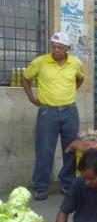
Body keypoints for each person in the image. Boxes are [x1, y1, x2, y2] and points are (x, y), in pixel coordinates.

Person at [22, 32, 85, 200]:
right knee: (44, 150)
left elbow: (80, 79)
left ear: (67, 49)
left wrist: (69, 93)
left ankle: (68, 184)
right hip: (47, 112)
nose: (56, 50)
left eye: (60, 47)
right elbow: (25, 78)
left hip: (70, 111)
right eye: (54, 46)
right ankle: (41, 186)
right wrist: (31, 98)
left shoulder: (75, 63)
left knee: (70, 149)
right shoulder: (41, 62)